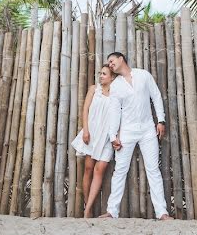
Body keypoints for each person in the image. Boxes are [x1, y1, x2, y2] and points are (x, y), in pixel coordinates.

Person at [101, 51, 173, 220]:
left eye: (112, 61)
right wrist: (113, 136)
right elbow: (114, 112)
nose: (110, 64)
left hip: (148, 129)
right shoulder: (116, 85)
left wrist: (160, 120)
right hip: (127, 131)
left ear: (121, 59)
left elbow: (156, 96)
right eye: (109, 64)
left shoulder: (143, 75)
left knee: (153, 169)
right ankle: (112, 211)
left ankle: (162, 212)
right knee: (120, 170)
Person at [71, 65, 117, 218]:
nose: (101, 76)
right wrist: (85, 130)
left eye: (104, 74)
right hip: (91, 134)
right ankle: (87, 205)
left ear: (112, 77)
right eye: (100, 73)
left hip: (107, 137)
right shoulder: (93, 89)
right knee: (88, 169)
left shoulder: (117, 94)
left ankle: (87, 209)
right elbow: (85, 110)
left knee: (100, 169)